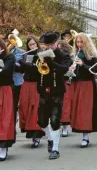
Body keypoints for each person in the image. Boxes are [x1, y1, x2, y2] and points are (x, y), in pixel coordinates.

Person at [35, 31, 71, 160]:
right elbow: (34, 72)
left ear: (57, 43)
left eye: (52, 44)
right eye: (47, 44)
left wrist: (52, 63)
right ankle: (50, 138)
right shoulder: (40, 55)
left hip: (57, 92)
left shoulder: (64, 56)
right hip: (44, 91)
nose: (49, 47)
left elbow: (65, 69)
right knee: (42, 121)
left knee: (55, 121)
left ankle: (55, 149)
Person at [69, 32, 97, 147]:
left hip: (87, 85)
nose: (79, 44)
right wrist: (71, 69)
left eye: (81, 42)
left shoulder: (92, 55)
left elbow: (95, 71)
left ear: (86, 42)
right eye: (77, 42)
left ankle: (85, 136)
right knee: (78, 110)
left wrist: (83, 64)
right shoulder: (75, 54)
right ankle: (82, 134)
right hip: (77, 84)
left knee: (86, 110)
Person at [17, 36, 45, 148]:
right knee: (25, 107)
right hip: (26, 85)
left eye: (34, 44)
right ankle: (30, 132)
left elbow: (37, 70)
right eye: (30, 45)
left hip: (37, 85)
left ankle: (37, 135)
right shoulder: (25, 55)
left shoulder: (41, 55)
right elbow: (22, 70)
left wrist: (24, 64)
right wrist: (15, 64)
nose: (32, 46)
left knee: (35, 109)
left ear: (37, 44)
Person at [57, 40, 74, 137]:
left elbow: (67, 67)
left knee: (65, 105)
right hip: (56, 82)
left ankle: (65, 128)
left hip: (65, 81)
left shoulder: (67, 57)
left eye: (60, 47)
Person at [7, 29, 25, 120]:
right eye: (10, 40)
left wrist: (12, 62)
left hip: (18, 81)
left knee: (15, 103)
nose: (11, 42)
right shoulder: (4, 51)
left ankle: (15, 116)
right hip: (8, 81)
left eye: (13, 40)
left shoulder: (21, 52)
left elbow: (22, 68)